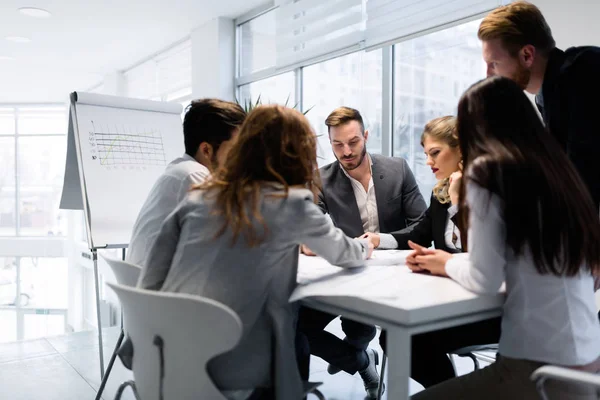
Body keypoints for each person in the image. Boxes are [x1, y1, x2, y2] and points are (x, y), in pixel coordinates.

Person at [137, 104, 374, 400]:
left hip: (165, 366)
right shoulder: (291, 203)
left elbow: (150, 281)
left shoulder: (198, 197)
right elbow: (346, 254)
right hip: (234, 375)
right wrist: (369, 244)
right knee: (288, 337)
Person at [410, 76, 600, 399]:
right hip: (587, 364)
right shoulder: (560, 173)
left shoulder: (487, 171)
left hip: (537, 371)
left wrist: (448, 263)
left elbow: (484, 278)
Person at [298, 106, 427, 398]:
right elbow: (308, 225)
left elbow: (422, 222)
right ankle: (360, 360)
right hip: (349, 269)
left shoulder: (397, 169)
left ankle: (356, 349)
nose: (346, 151)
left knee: (359, 328)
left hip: (395, 272)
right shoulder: (322, 178)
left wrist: (382, 239)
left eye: (353, 142)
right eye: (337, 144)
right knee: (298, 327)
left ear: (366, 136)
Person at [374, 116, 501, 388]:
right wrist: (376, 240)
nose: (429, 162)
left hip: (488, 308)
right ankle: (447, 390)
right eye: (426, 155)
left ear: (462, 151)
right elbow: (417, 233)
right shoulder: (441, 193)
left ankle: (449, 393)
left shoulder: (489, 192)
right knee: (391, 335)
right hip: (452, 300)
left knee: (405, 338)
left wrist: (458, 200)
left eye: (435, 153)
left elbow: (480, 256)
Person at [478, 0, 600, 211]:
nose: (488, 74)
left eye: (494, 64)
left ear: (527, 55)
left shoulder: (584, 69)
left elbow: (581, 179)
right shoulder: (546, 97)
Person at [126, 99, 245, 267]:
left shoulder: (181, 171)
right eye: (235, 150)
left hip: (152, 285)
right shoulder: (194, 176)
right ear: (206, 150)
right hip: (164, 289)